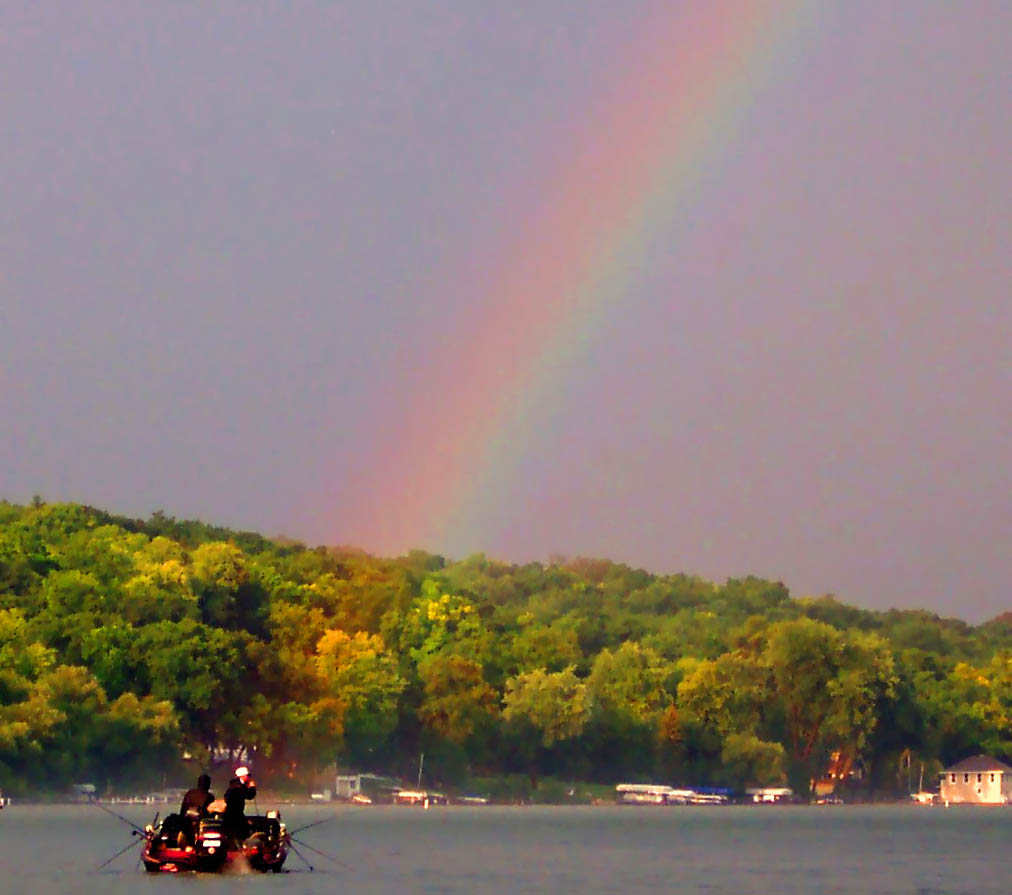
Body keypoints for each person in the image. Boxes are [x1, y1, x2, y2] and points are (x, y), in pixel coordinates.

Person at [223, 766, 257, 843]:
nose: (249, 778)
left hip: (232, 813)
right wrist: (252, 787)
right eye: (247, 775)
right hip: (235, 814)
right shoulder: (238, 786)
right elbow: (249, 795)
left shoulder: (234, 785)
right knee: (243, 832)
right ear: (242, 776)